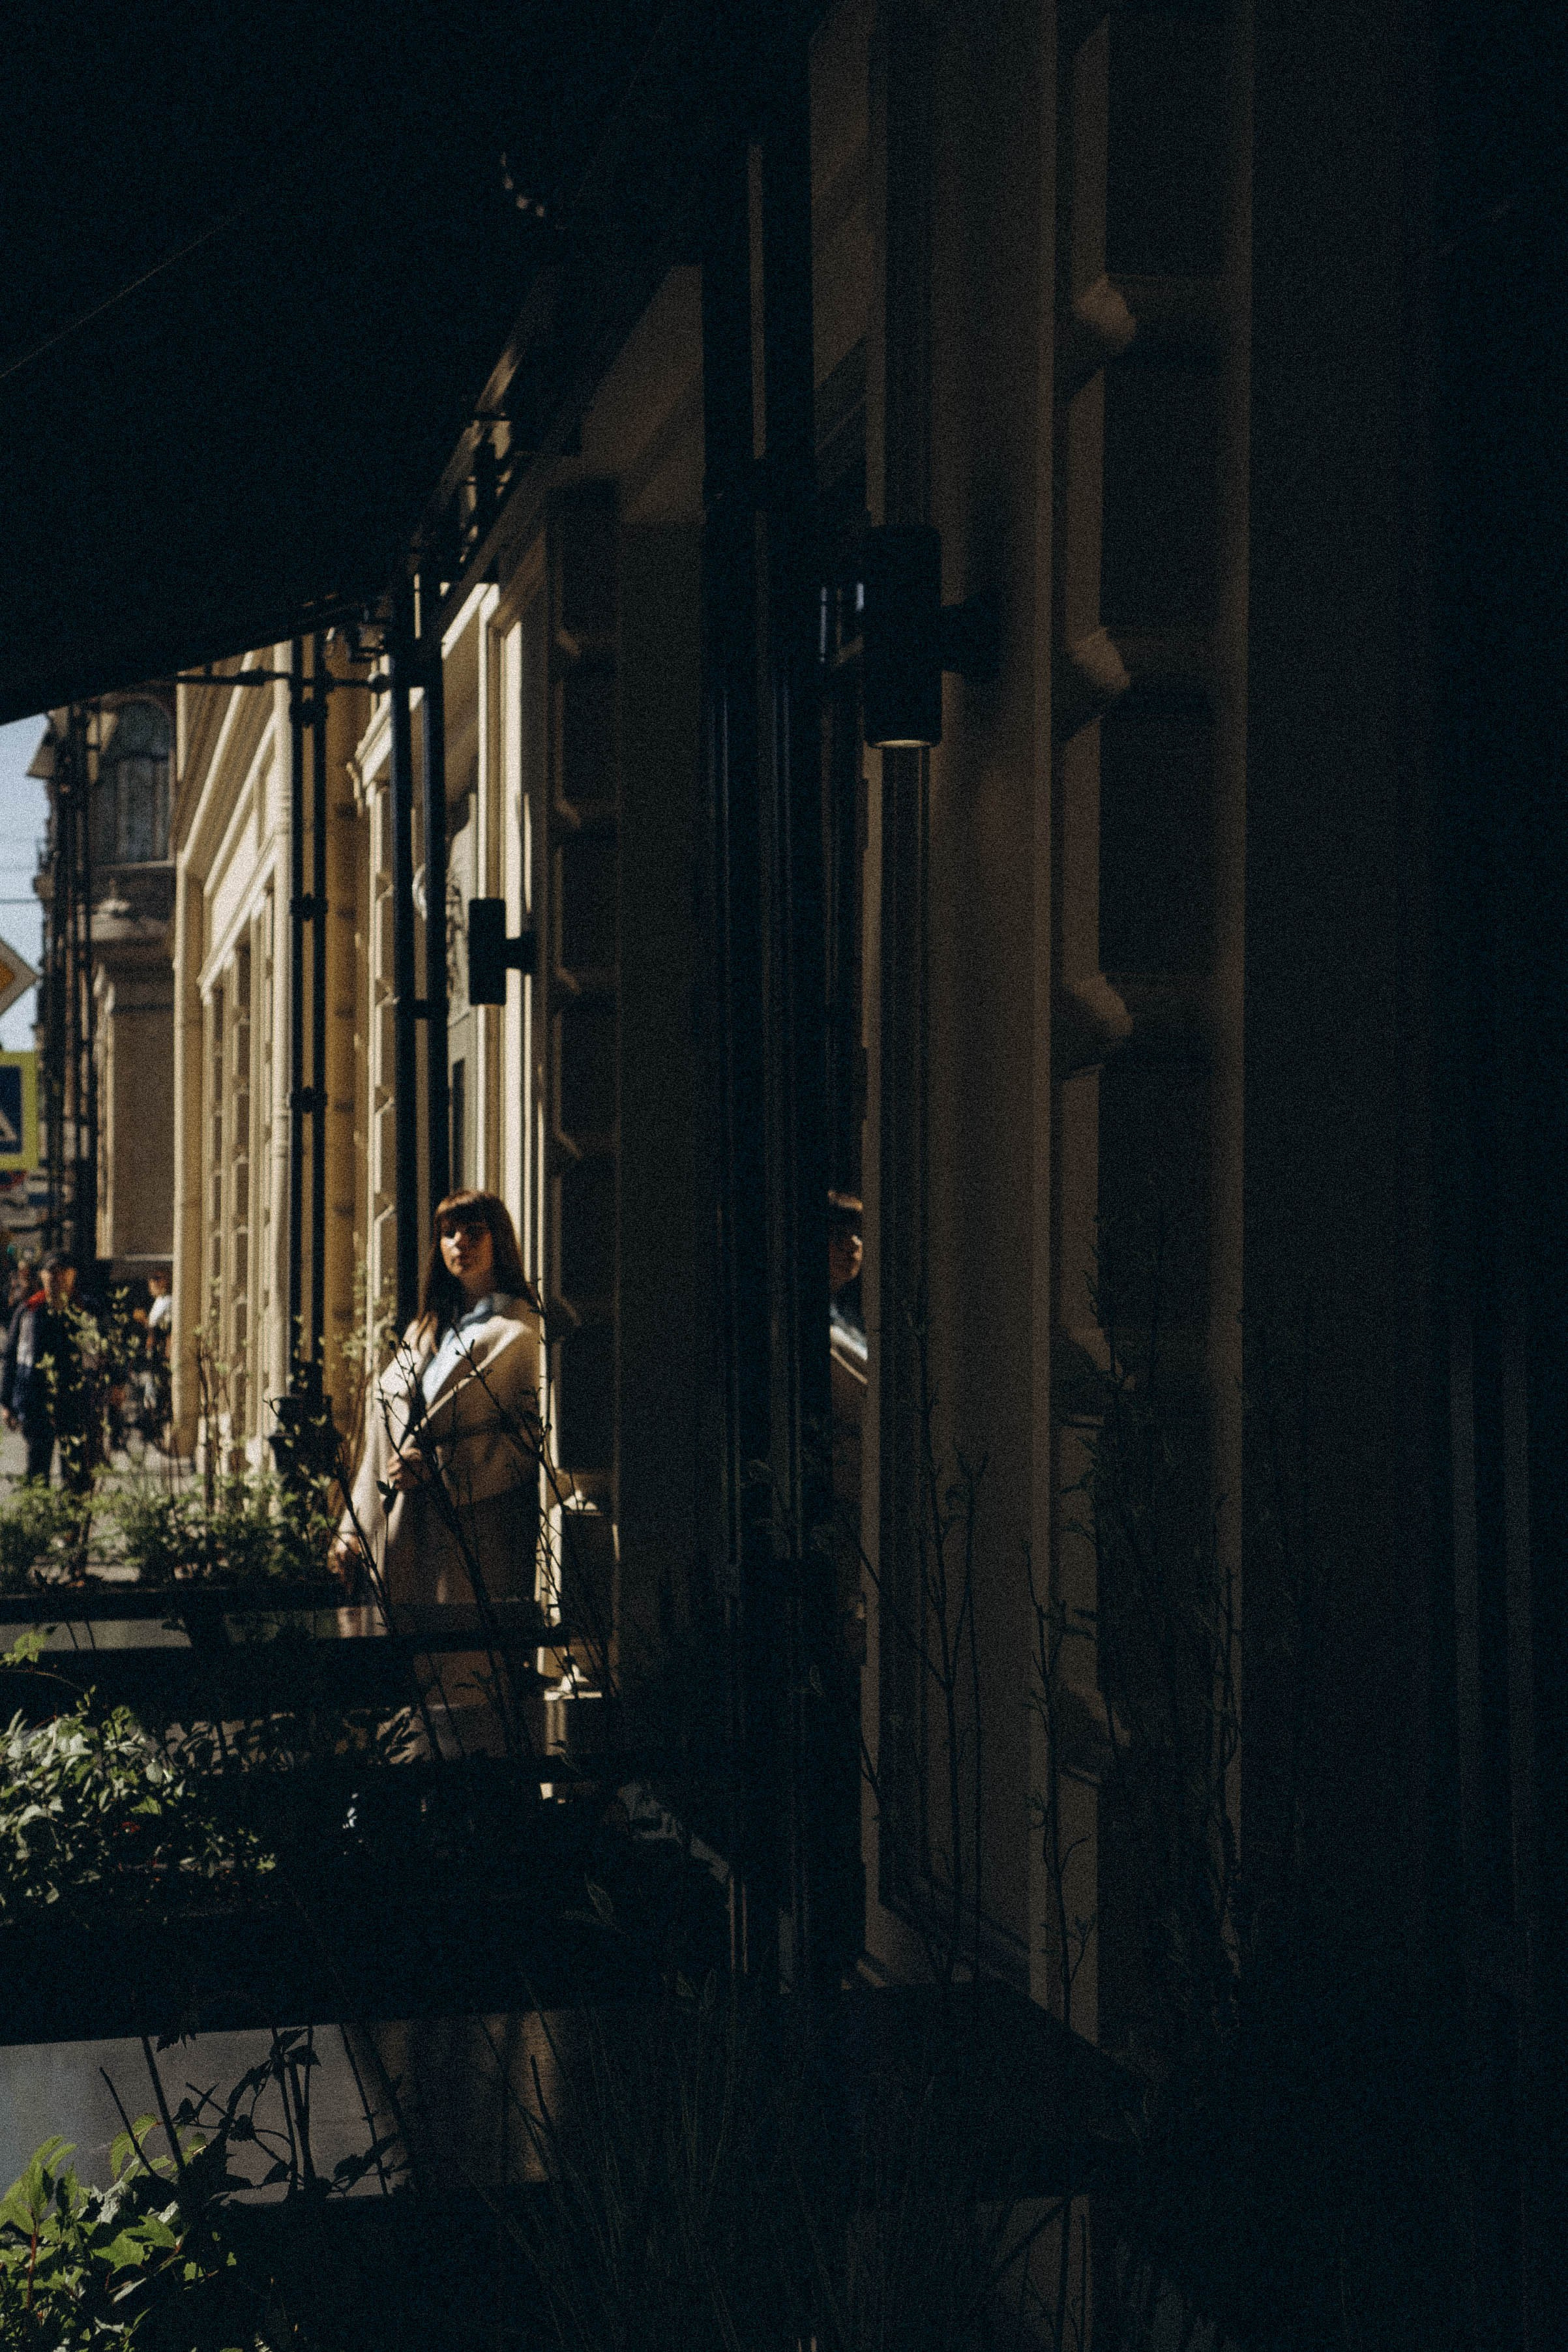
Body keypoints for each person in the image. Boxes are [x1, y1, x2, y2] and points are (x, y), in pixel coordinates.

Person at [332, 1191, 542, 1734]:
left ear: (499, 1238)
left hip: (471, 1539)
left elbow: (528, 1443)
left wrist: (444, 1469)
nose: (460, 1244)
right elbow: (381, 1435)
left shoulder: (518, 1334)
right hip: (402, 1535)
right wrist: (351, 1530)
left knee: (467, 1690)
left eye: (473, 1230)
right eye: (449, 1233)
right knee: (408, 1693)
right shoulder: (424, 1330)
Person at [1, 1253, 91, 1488]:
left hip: (76, 1402)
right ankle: (40, 1520)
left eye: (61, 1272)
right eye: (50, 1272)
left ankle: (72, 1523)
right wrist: (6, 1403)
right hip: (36, 1402)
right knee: (37, 1472)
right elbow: (11, 1357)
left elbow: (107, 1350)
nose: (55, 1277)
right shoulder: (28, 1311)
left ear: (72, 1275)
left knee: (75, 1473)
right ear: (41, 1276)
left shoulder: (86, 1310)